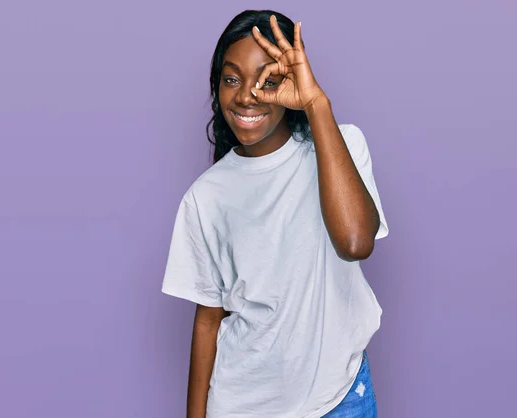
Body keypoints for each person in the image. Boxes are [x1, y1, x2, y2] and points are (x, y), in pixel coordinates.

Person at [162, 9, 389, 418]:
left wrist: (316, 103)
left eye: (267, 80)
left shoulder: (341, 146)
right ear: (216, 88)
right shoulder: (206, 197)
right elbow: (208, 321)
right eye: (232, 78)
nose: (248, 94)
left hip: (337, 399)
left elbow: (355, 242)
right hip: (243, 405)